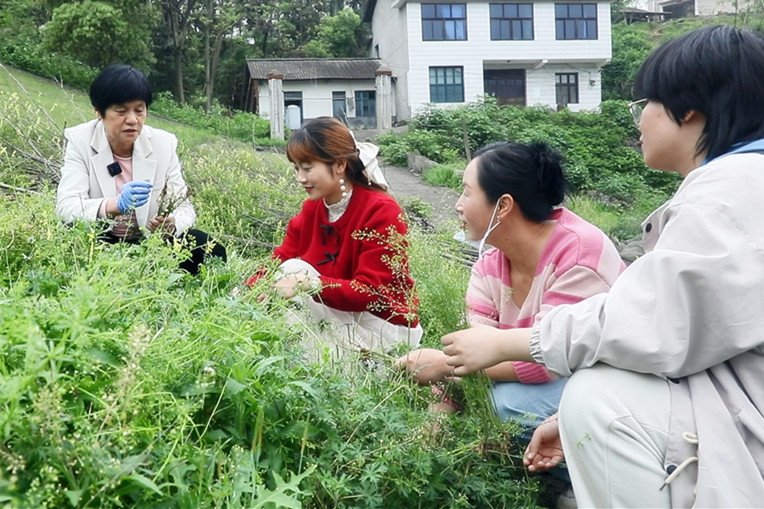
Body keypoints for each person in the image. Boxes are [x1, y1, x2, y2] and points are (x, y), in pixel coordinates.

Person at [441, 25, 764, 507]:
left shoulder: (728, 194)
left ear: (688, 109)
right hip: (728, 401)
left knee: (590, 398)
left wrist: (502, 349)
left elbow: (646, 325)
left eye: (646, 104)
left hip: (741, 421)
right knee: (557, 405)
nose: (639, 120)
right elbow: (691, 339)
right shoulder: (491, 260)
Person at [397, 141, 624, 437]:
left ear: (503, 205)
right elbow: (471, 349)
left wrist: (445, 365)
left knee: (506, 406)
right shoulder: (489, 266)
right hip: (551, 380)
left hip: (605, 383)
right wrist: (431, 428)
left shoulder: (580, 255)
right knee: (487, 398)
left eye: (467, 192)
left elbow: (552, 358)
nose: (457, 205)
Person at [246, 116, 422, 359]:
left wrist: (309, 284)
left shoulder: (381, 210)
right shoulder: (312, 210)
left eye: (307, 168)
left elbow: (373, 293)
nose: (300, 178)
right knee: (287, 273)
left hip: (382, 329)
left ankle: (331, 372)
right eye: (296, 168)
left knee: (296, 275)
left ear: (339, 165)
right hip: (335, 315)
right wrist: (248, 291)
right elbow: (278, 260)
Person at [56, 64, 226, 274]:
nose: (132, 120)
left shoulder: (163, 144)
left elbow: (184, 207)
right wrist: (113, 205)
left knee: (206, 247)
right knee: (70, 236)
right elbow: (67, 206)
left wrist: (171, 225)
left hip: (149, 243)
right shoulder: (80, 140)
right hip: (99, 239)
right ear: (98, 112)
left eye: (139, 110)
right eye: (121, 111)